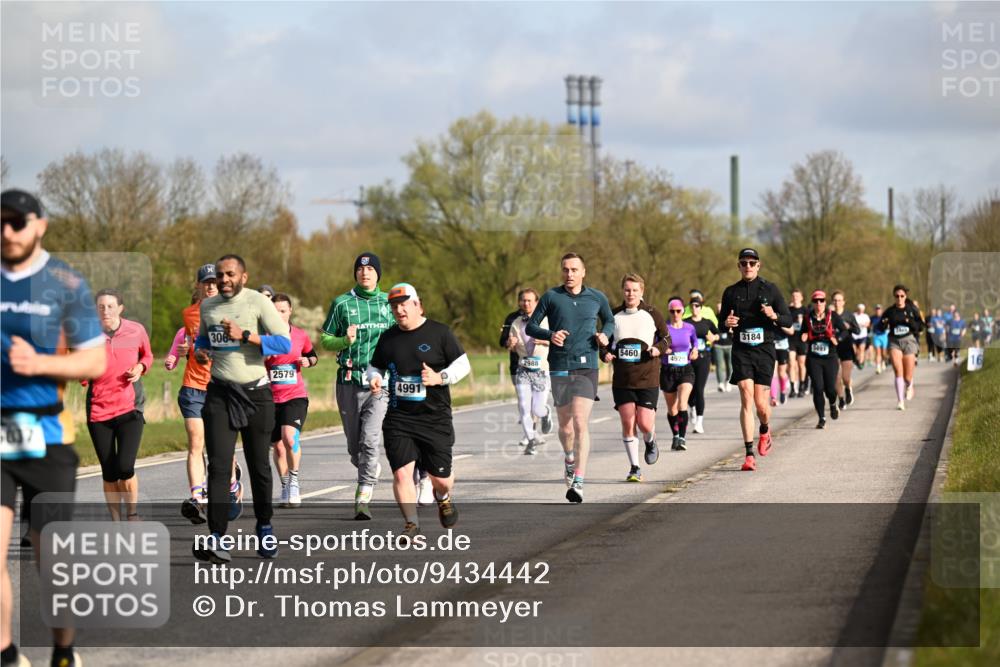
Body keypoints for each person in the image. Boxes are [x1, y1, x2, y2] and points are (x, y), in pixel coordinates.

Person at [2, 188, 106, 667]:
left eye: (17, 222)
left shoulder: (65, 283)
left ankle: (64, 651)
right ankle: (6, 654)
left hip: (46, 436)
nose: (6, 231)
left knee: (54, 564)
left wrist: (41, 364)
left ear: (39, 224)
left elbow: (96, 358)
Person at [192, 254, 291, 563]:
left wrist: (245, 335)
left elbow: (285, 344)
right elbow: (202, 343)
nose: (224, 279)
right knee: (219, 467)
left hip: (256, 395)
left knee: (258, 465)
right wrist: (201, 354)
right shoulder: (207, 307)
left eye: (230, 274)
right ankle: (218, 537)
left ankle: (264, 526)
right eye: (220, 275)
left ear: (243, 277)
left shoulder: (257, 304)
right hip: (220, 393)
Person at [367, 283, 470, 543]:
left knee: (441, 479)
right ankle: (411, 523)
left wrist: (440, 377)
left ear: (417, 305)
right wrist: (374, 378)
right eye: (394, 306)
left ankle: (443, 497)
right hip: (399, 417)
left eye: (403, 304)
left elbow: (463, 364)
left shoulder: (440, 333)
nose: (399, 310)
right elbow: (374, 367)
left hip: (434, 417)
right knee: (402, 472)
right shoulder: (388, 338)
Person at [526, 253, 615, 503]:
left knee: (579, 421)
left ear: (583, 272)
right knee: (565, 426)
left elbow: (609, 320)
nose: (569, 274)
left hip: (587, 365)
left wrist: (605, 335)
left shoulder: (597, 297)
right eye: (565, 270)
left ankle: (579, 479)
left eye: (574, 270)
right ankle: (568, 457)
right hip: (560, 365)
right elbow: (531, 326)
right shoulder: (551, 297)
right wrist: (551, 334)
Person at [321, 252, 394, 519]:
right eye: (361, 270)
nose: (365, 273)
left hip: (380, 383)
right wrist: (344, 341)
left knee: (370, 440)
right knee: (355, 447)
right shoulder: (341, 304)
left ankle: (363, 495)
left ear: (378, 274)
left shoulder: (389, 303)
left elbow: (403, 335)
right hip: (348, 381)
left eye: (371, 270)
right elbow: (326, 340)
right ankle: (366, 468)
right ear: (356, 273)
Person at [171, 264, 237, 525]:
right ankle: (198, 498)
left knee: (221, 447)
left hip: (221, 387)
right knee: (196, 442)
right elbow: (189, 340)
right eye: (205, 282)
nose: (210, 286)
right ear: (198, 286)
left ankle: (232, 488)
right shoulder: (189, 314)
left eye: (214, 281)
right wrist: (186, 349)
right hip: (193, 387)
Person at [720, 248, 792, 472]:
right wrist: (727, 323)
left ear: (758, 265)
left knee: (761, 405)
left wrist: (774, 316)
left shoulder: (770, 289)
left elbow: (788, 319)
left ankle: (764, 428)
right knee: (745, 395)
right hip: (742, 348)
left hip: (764, 349)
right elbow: (722, 322)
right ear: (738, 266)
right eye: (744, 263)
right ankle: (749, 453)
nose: (748, 266)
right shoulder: (731, 292)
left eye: (752, 263)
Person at [84, 289, 152, 521]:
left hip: (130, 408)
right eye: (101, 307)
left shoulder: (136, 330)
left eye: (110, 306)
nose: (106, 311)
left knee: (125, 467)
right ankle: (115, 521)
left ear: (120, 308)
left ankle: (132, 514)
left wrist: (141, 367)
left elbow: (148, 356)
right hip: (99, 410)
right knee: (110, 472)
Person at [600, 274, 670, 482]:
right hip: (623, 378)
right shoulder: (613, 316)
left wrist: (658, 349)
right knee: (627, 420)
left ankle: (650, 441)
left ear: (642, 292)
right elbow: (604, 341)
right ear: (623, 291)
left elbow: (666, 338)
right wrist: (605, 354)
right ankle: (634, 467)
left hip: (648, 376)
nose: (630, 294)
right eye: (627, 290)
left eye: (635, 290)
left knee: (645, 423)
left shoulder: (652, 314)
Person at [266, 293, 318, 508]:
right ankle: (285, 484)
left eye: (283, 311)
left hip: (295, 396)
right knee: (278, 448)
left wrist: (307, 361)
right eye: (274, 311)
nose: (278, 315)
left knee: (289, 438)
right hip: (269, 399)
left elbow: (312, 355)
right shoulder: (264, 338)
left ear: (290, 312)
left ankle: (294, 482)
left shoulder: (299, 335)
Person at [506, 289, 553, 456]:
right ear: (520, 302)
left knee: (537, 409)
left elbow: (558, 341)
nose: (526, 303)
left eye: (529, 301)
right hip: (523, 370)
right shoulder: (516, 323)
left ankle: (546, 413)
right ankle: (531, 440)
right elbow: (510, 345)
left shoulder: (546, 321)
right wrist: (510, 343)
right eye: (523, 301)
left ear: (536, 302)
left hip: (541, 371)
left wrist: (543, 339)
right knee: (524, 408)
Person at [802, 290, 849, 428]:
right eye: (816, 301)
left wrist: (838, 339)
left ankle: (833, 404)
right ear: (813, 303)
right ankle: (821, 418)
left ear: (825, 302)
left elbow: (845, 331)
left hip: (830, 357)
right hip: (814, 358)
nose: (819, 303)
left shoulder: (832, 316)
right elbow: (802, 333)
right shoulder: (808, 317)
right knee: (817, 387)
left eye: (821, 300)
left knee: (830, 389)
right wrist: (803, 336)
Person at [876, 285, 925, 410]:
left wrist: (910, 322)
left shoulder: (911, 309)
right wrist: (884, 324)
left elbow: (921, 326)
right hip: (894, 342)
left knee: (907, 377)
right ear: (894, 297)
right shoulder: (890, 311)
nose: (899, 298)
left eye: (902, 296)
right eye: (897, 296)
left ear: (905, 296)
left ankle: (909, 385)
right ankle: (900, 401)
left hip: (909, 340)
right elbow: (879, 327)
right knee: (898, 371)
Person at [661, 298, 698, 451]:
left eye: (678, 310)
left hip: (685, 370)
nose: (675, 313)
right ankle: (675, 435)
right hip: (668, 370)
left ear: (683, 311)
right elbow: (656, 344)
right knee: (672, 409)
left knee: (683, 403)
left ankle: (682, 438)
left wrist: (695, 350)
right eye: (672, 311)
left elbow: (694, 342)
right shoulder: (663, 328)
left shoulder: (689, 327)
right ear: (669, 311)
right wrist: (663, 349)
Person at [684, 295, 718, 433]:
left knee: (699, 389)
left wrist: (714, 337)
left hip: (704, 358)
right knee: (689, 389)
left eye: (697, 306)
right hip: (689, 359)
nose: (694, 308)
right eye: (692, 306)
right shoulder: (685, 322)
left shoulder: (707, 322)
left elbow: (719, 334)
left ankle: (699, 421)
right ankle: (691, 406)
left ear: (701, 307)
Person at [831, 291, 859, 409]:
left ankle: (848, 388)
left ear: (844, 302)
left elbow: (857, 330)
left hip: (847, 346)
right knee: (836, 375)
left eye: (839, 300)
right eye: (835, 300)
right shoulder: (829, 315)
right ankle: (841, 398)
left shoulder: (849, 315)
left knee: (846, 378)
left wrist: (849, 327)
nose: (837, 302)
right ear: (832, 302)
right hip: (834, 347)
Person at [786, 288, 809, 398]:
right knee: (791, 363)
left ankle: (802, 386)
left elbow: (811, 325)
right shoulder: (788, 310)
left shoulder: (805, 311)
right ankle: (792, 388)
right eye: (794, 296)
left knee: (801, 364)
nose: (795, 298)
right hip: (791, 339)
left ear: (801, 298)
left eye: (797, 296)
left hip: (802, 341)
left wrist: (807, 333)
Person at [712, 300, 734, 392]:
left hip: (729, 345)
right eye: (718, 308)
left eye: (721, 307)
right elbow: (712, 331)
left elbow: (734, 330)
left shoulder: (729, 318)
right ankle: (720, 383)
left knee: (730, 365)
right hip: (718, 346)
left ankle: (728, 381)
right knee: (719, 365)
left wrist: (731, 331)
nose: (719, 309)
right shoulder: (715, 318)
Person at [870, 304, 889, 374]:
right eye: (877, 309)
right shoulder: (872, 318)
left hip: (884, 336)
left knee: (883, 353)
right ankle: (878, 367)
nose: (878, 311)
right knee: (878, 352)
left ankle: (883, 362)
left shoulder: (884, 317)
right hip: (876, 336)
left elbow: (888, 324)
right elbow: (869, 325)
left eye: (879, 309)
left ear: (881, 310)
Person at [852, 303, 871, 370]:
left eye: (862, 309)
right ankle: (857, 360)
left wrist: (864, 325)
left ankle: (861, 363)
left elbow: (868, 324)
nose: (861, 310)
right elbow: (851, 323)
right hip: (854, 336)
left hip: (863, 335)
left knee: (861, 349)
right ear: (857, 309)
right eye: (859, 309)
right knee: (854, 350)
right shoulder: (854, 315)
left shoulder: (865, 316)